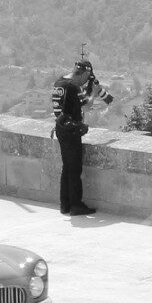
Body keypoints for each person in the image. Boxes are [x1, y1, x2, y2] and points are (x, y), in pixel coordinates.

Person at [51, 56, 108, 216]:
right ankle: (76, 204)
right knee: (75, 168)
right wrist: (94, 93)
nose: (85, 82)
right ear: (83, 74)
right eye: (86, 78)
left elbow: (61, 108)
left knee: (66, 167)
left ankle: (65, 205)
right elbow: (87, 106)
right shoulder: (73, 87)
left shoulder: (59, 82)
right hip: (71, 130)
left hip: (61, 128)